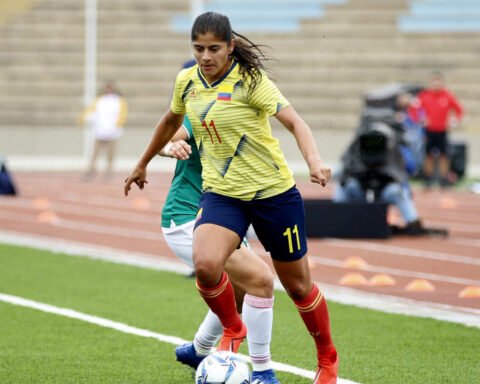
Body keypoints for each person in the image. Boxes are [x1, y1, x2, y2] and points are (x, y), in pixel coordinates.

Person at [125, 12, 338, 384]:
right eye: (198, 48)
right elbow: (169, 123)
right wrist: (142, 162)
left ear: (230, 47)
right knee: (206, 264)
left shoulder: (250, 80)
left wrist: (315, 162)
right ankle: (236, 333)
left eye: (214, 49)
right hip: (223, 195)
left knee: (298, 287)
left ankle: (327, 359)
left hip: (274, 194)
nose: (205, 56)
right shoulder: (187, 81)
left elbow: (295, 123)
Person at [158, 115, 280, 384]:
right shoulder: (207, 109)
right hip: (188, 216)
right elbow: (164, 138)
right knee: (259, 280)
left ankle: (199, 350)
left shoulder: (251, 118)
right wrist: (170, 148)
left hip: (223, 219)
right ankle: (262, 372)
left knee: (238, 293)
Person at [416, 72, 463, 188]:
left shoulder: (447, 96)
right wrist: (421, 119)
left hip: (442, 130)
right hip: (429, 130)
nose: (436, 84)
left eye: (438, 82)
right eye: (434, 82)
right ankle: (428, 178)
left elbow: (459, 110)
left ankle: (443, 179)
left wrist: (454, 120)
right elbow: (414, 110)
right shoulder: (424, 96)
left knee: (443, 155)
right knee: (428, 155)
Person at [78, 81, 128, 180]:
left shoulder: (120, 101)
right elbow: (90, 112)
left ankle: (109, 173)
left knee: (110, 155)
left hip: (113, 133)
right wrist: (84, 119)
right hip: (99, 132)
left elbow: (122, 115)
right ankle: (91, 171)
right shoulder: (100, 100)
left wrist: (117, 125)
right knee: (95, 154)